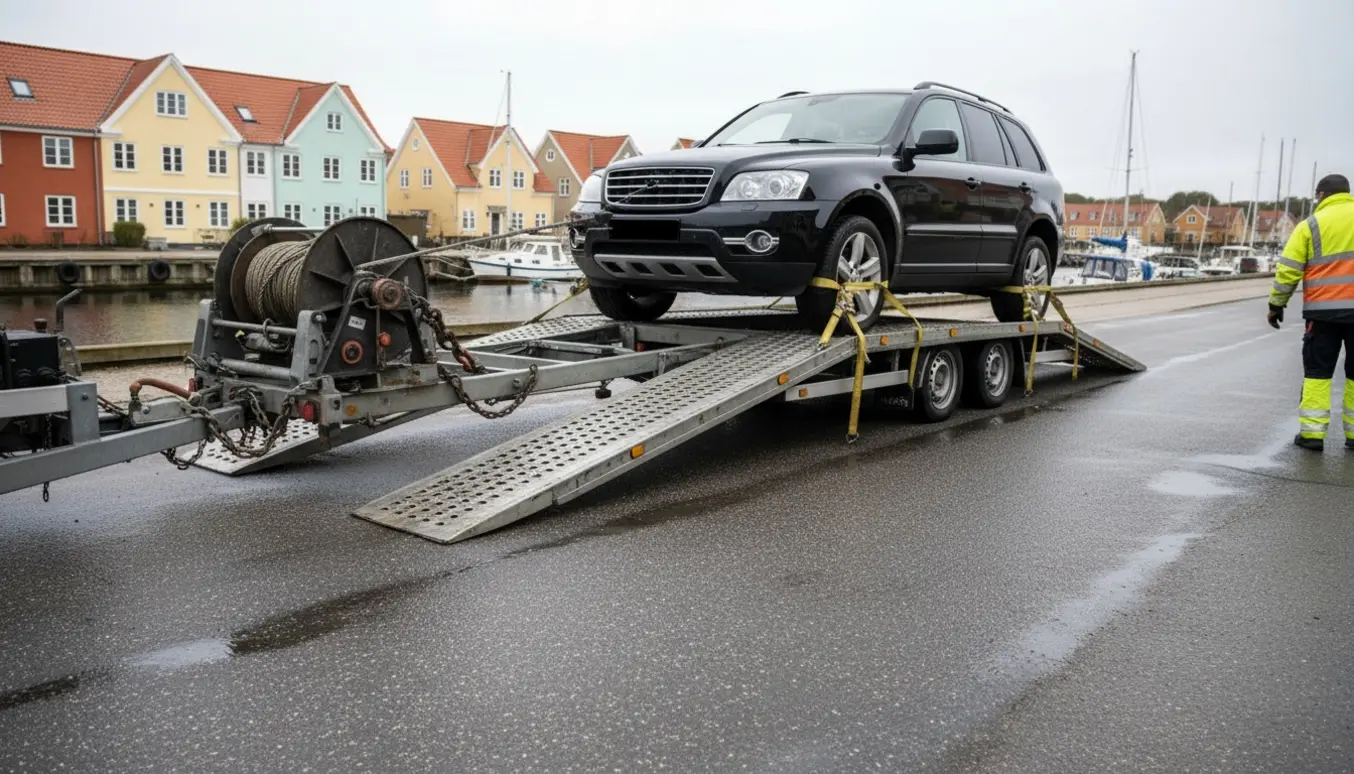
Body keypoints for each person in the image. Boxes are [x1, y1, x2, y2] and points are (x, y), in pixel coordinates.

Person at [1268, 173, 1354, 450]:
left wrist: (1276, 305)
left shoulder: (1311, 225)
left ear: (1321, 194)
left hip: (1323, 314)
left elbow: (1288, 270)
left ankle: (1313, 435)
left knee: (1318, 373)